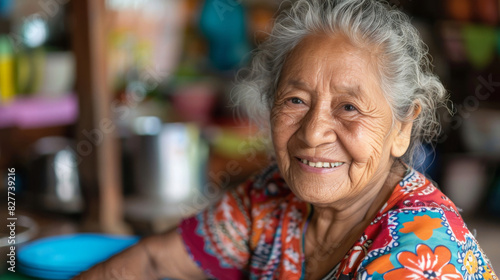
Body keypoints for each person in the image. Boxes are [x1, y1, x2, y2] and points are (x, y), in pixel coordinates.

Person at [76, 0, 498, 279]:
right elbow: (152, 261)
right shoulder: (271, 198)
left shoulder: (421, 256)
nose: (312, 132)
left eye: (349, 107)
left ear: (402, 128)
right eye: (296, 100)